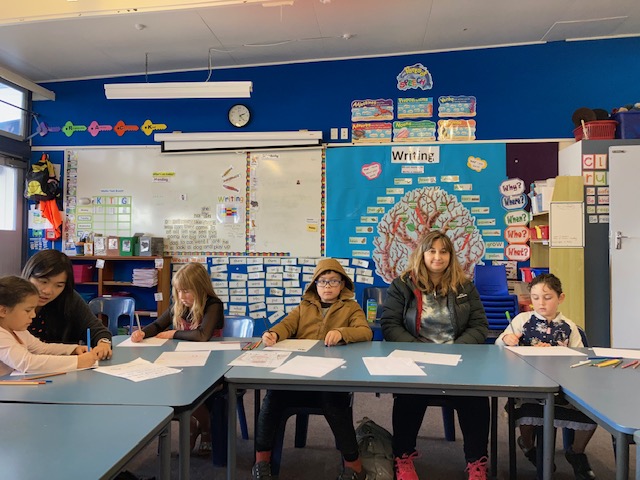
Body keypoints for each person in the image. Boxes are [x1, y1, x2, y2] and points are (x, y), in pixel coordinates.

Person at [380, 231, 490, 480]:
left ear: (451, 256)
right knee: (408, 397)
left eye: (443, 251)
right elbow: (390, 325)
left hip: (457, 361)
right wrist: (417, 351)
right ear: (422, 254)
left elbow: (479, 326)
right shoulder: (402, 284)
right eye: (432, 251)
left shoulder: (464, 286)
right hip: (416, 360)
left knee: (476, 398)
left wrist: (457, 350)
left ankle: (476, 462)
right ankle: (403, 458)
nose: (437, 257)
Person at [251, 258, 373, 480]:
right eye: (322, 281)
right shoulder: (304, 307)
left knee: (335, 404)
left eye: (333, 281)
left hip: (331, 378)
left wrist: (342, 333)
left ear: (342, 285)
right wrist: (274, 334)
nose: (327, 286)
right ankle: (261, 461)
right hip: (299, 377)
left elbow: (365, 332)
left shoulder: (351, 308)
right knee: (272, 398)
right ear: (315, 284)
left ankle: (354, 466)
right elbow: (287, 325)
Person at [495, 273, 597, 480]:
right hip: (528, 385)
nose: (541, 303)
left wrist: (556, 352)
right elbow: (499, 347)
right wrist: (507, 338)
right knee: (525, 410)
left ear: (561, 298)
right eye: (535, 298)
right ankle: (527, 444)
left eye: (547, 297)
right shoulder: (522, 320)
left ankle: (576, 451)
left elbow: (580, 358)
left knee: (591, 413)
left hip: (562, 387)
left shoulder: (569, 327)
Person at [131, 261, 225, 456]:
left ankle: (205, 428)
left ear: (200, 288)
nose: (181, 296)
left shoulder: (213, 305)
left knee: (187, 387)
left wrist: (173, 333)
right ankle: (193, 426)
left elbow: (202, 335)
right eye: (179, 291)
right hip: (185, 363)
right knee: (170, 383)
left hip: (210, 365)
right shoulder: (180, 306)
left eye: (187, 291)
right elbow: (158, 325)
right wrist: (142, 333)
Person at [22, 249, 113, 360]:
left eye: (59, 285)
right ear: (29, 275)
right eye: (43, 281)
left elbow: (97, 330)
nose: (48, 291)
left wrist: (103, 344)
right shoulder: (10, 302)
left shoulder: (68, 298)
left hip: (66, 367)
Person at [0, 275, 99, 376]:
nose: (33, 315)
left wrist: (73, 349)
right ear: (3, 311)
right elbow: (27, 363)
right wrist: (77, 362)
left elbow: (41, 349)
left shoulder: (18, 330)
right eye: (28, 310)